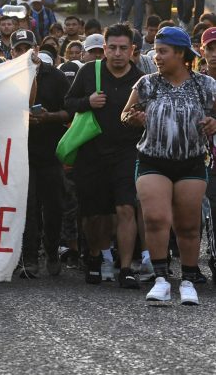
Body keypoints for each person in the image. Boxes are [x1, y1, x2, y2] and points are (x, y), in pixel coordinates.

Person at [121, 26, 216, 306]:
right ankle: (161, 279)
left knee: (188, 225)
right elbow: (124, 114)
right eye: (156, 52)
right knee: (155, 218)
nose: (157, 57)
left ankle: (188, 280)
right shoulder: (147, 83)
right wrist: (132, 118)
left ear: (181, 54)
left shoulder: (206, 85)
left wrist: (214, 122)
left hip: (192, 162)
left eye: (163, 52)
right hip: (152, 160)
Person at [63, 24, 144, 287]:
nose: (117, 53)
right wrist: (87, 102)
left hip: (127, 152)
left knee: (126, 208)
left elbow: (151, 114)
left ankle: (125, 268)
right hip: (92, 152)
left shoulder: (141, 79)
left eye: (123, 48)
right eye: (113, 48)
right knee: (94, 214)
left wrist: (142, 119)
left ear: (132, 50)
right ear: (105, 48)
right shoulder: (89, 71)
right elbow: (68, 103)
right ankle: (95, 257)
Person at [11, 30, 68, 278]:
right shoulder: (7, 78)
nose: (23, 53)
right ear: (11, 52)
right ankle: (30, 258)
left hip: (50, 153)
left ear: (36, 49)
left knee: (54, 207)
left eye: (27, 47)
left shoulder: (56, 76)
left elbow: (70, 112)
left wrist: (49, 117)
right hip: (20, 155)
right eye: (18, 48)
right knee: (27, 208)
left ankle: (52, 252)